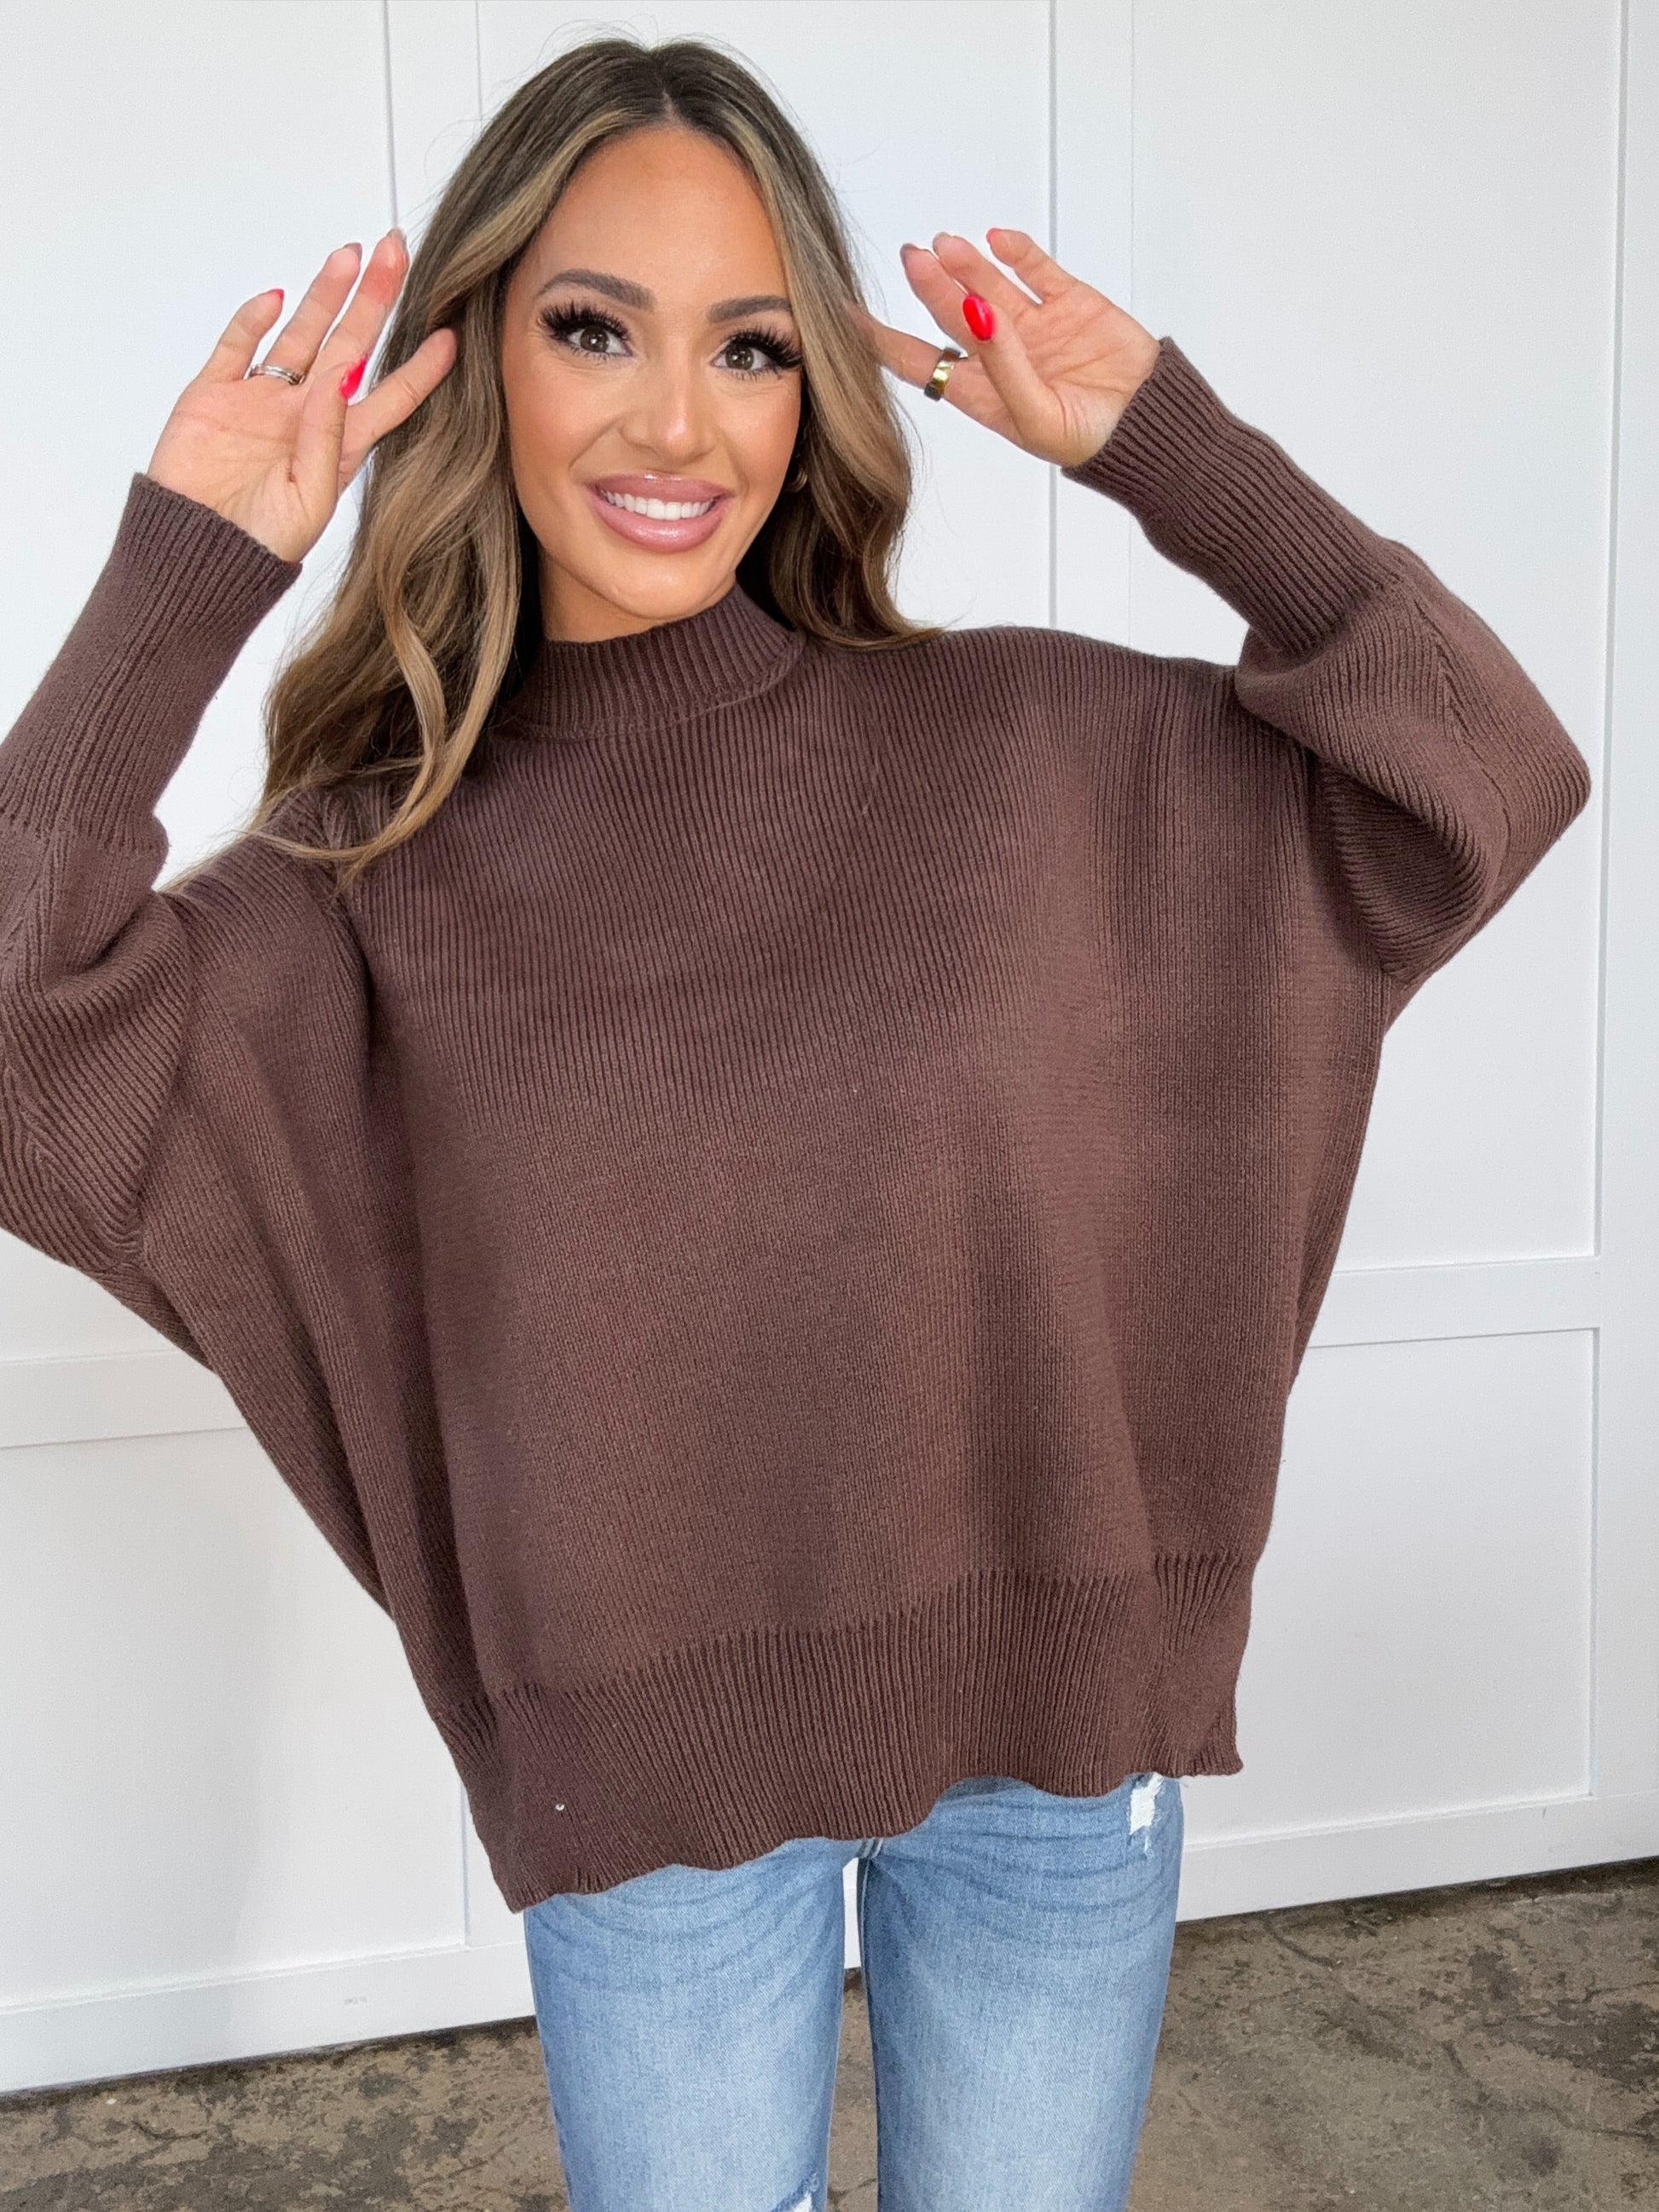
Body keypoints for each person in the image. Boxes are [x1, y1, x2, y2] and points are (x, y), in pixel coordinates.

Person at [0, 31, 1590, 2212]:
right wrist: (184, 572)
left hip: (1054, 1758)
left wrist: (1178, 454)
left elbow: (1484, 771)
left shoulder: (1025, 742)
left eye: (750, 346)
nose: (678, 422)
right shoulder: (366, 877)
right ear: (470, 362)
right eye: (594, 328)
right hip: (644, 1807)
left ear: (813, 392)